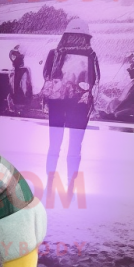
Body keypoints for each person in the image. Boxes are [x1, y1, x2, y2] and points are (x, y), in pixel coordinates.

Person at [41, 18, 100, 188]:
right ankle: (71, 184)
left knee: (54, 145)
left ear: (66, 35)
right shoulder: (91, 55)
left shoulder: (54, 53)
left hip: (57, 104)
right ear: (86, 37)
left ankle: (50, 183)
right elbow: (94, 80)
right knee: (75, 146)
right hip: (79, 106)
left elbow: (46, 76)